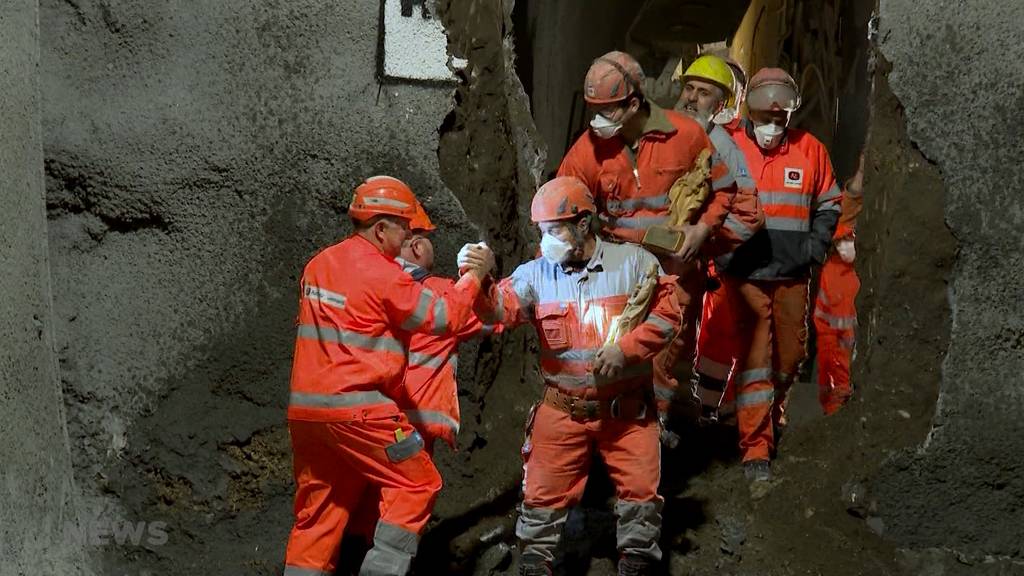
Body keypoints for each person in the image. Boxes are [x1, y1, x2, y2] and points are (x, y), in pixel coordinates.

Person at [468, 176, 681, 575]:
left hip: (626, 411)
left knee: (640, 499)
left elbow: (668, 316)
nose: (546, 240)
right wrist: (480, 280)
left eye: (554, 230)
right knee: (540, 501)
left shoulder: (634, 264)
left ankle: (635, 564)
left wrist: (627, 349)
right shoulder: (535, 274)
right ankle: (535, 565)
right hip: (563, 409)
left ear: (583, 224)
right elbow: (498, 311)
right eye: (543, 232)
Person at [284, 175, 495, 576]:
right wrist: (474, 277)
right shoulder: (382, 273)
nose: (409, 238)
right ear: (381, 228)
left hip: (307, 416)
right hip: (360, 410)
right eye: (405, 228)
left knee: (319, 514)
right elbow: (444, 316)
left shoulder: (319, 264)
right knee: (417, 483)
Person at [557, 50, 737, 430]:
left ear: (634, 104)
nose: (598, 120)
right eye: (595, 109)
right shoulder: (586, 151)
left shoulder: (685, 136)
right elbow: (561, 209)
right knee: (611, 361)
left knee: (662, 363)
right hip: (616, 279)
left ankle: (657, 439)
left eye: (608, 110)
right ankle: (620, 445)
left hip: (673, 275)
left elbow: (725, 189)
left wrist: (702, 229)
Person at [723, 68, 841, 484]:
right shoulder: (729, 145)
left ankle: (773, 413)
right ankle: (756, 447)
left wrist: (815, 246)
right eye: (764, 117)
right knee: (756, 360)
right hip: (745, 273)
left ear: (790, 115)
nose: (772, 126)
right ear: (749, 111)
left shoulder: (811, 150)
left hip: (792, 273)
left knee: (789, 358)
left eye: (779, 118)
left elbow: (829, 202)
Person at [675, 54, 766, 422]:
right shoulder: (661, 129)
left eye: (704, 92)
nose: (692, 98)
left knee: (674, 345)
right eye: (689, 88)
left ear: (721, 104)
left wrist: (709, 240)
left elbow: (749, 213)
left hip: (684, 264)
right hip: (641, 258)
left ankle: (669, 423)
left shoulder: (721, 146)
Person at [814, 155, 864, 415]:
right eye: (840, 243)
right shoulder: (832, 274)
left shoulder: (863, 267)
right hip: (839, 375)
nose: (845, 246)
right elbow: (827, 338)